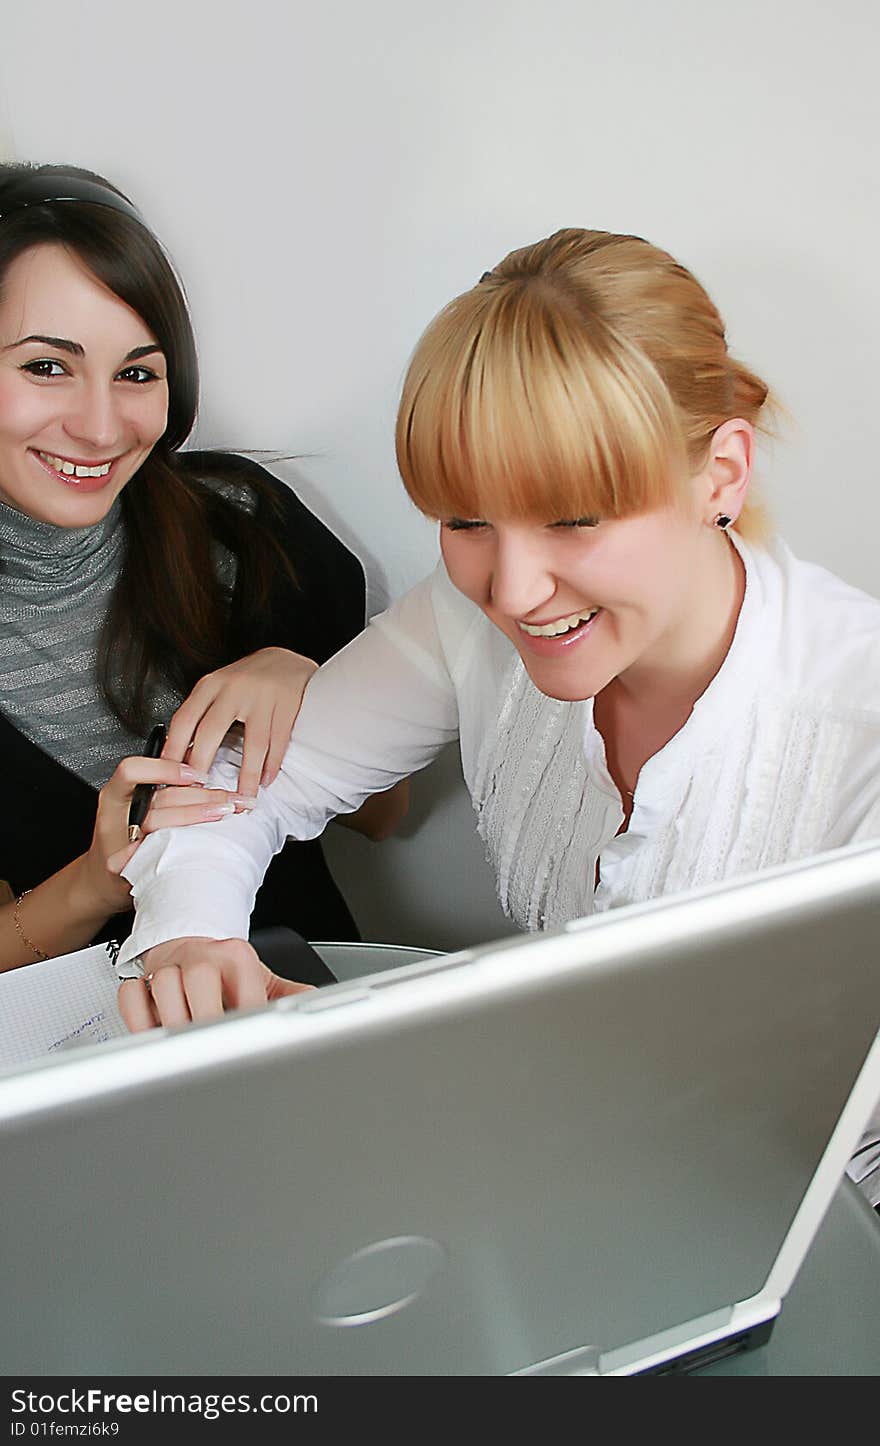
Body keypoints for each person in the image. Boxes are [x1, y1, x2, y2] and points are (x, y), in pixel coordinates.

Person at [117, 225, 880, 1015]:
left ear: (721, 475)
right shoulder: (466, 619)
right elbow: (235, 787)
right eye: (466, 521)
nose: (512, 594)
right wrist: (193, 934)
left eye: (575, 520)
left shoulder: (858, 728)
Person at [0, 162, 407, 974]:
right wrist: (97, 881)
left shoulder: (242, 527)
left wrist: (303, 682)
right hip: (68, 1061)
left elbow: (384, 816)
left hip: (297, 1003)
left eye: (137, 373)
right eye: (47, 366)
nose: (99, 424)